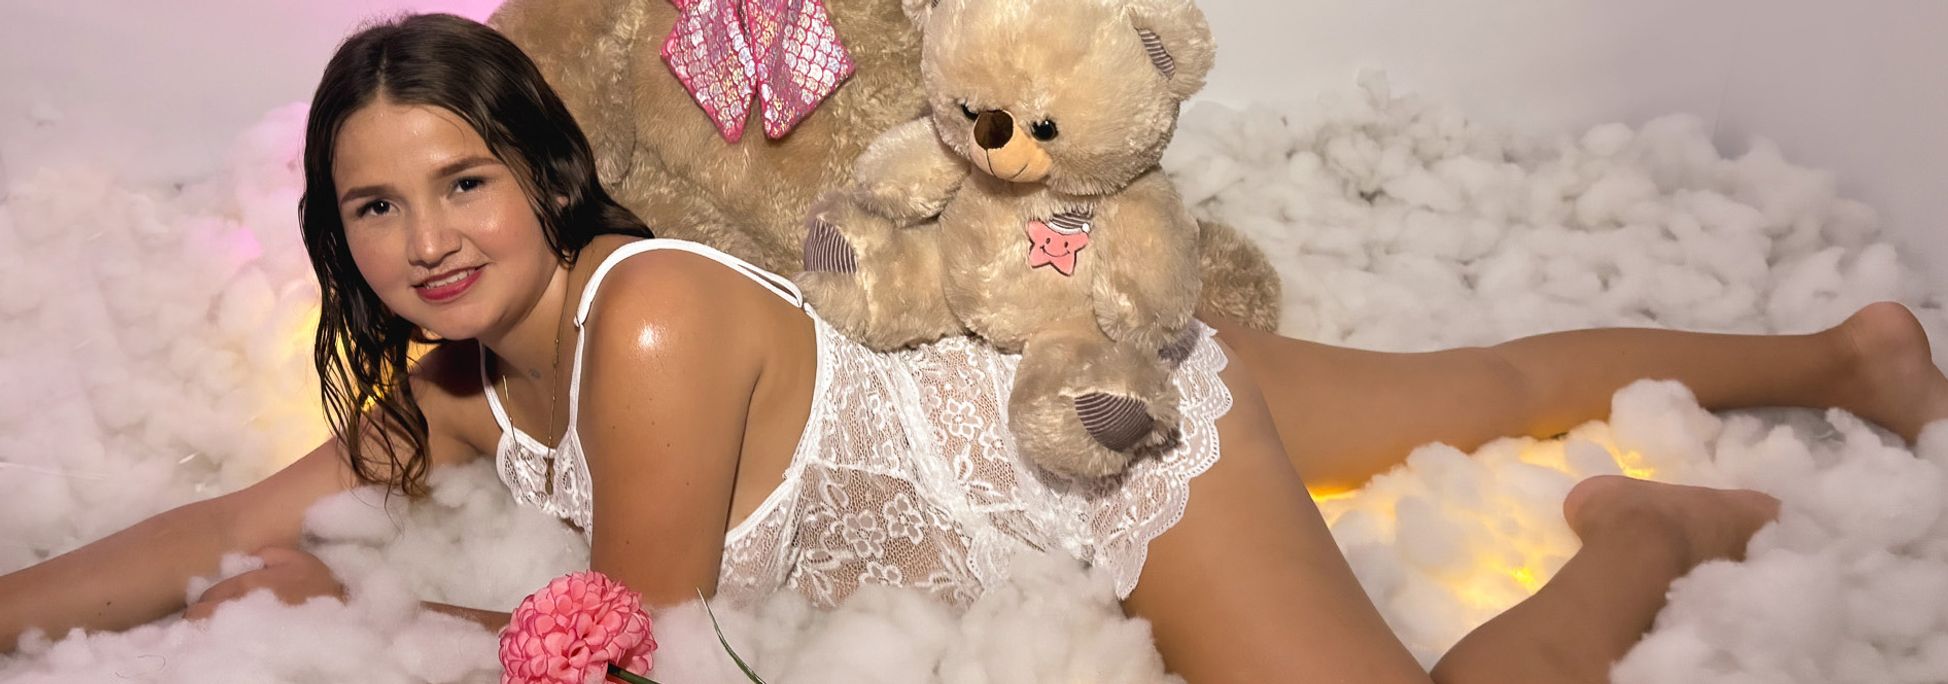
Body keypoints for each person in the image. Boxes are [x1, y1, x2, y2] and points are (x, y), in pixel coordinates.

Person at [3, 13, 1944, 684]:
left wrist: (375, 627)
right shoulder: (450, 389)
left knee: (1484, 427)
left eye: (462, 184)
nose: (426, 240)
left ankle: (1642, 532)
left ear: (545, 178)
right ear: (337, 236)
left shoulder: (646, 313)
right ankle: (1844, 355)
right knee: (1479, 388)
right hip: (1030, 366)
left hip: (1088, 468)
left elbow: (648, 651)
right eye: (374, 208)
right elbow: (214, 526)